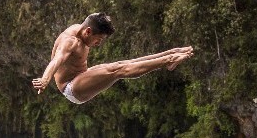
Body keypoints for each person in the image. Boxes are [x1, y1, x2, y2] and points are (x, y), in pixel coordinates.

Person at [32, 13, 193, 105]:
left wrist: (173, 50)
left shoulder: (80, 29)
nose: (98, 44)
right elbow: (57, 60)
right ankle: (169, 59)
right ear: (88, 32)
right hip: (72, 88)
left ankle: (170, 54)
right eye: (99, 39)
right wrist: (45, 79)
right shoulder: (71, 42)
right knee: (118, 70)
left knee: (121, 64)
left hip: (81, 78)